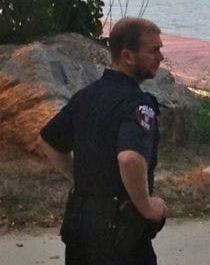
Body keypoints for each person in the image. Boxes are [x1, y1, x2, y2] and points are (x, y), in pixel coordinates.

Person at [38, 17, 168, 265]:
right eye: (153, 50)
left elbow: (48, 141)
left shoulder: (86, 97)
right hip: (119, 237)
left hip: (80, 228)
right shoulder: (137, 104)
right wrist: (147, 207)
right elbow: (129, 158)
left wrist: (81, 180)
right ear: (127, 56)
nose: (160, 57)